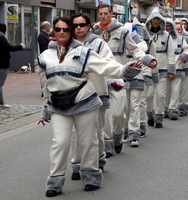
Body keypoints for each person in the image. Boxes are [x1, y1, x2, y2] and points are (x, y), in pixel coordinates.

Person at [37, 16, 144, 197]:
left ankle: (91, 176)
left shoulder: (83, 52)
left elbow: (106, 66)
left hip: (85, 102)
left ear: (71, 32)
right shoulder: (45, 56)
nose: (62, 32)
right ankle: (55, 181)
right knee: (60, 142)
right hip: (59, 106)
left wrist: (126, 69)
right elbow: (45, 85)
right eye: (58, 29)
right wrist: (45, 110)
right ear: (54, 31)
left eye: (66, 29)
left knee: (88, 141)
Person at [94, 3, 157, 148]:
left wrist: (147, 59)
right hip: (100, 79)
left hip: (118, 78)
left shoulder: (122, 32)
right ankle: (107, 144)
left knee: (118, 114)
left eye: (105, 13)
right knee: (104, 114)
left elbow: (136, 50)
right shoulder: (94, 33)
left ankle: (117, 135)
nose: (103, 16)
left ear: (111, 14)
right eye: (101, 14)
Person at [70, 12, 120, 180]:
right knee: (77, 132)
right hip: (74, 94)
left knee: (96, 132)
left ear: (88, 26)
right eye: (75, 25)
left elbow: (109, 63)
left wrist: (113, 80)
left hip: (97, 92)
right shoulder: (68, 44)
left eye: (81, 25)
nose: (78, 28)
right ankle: (77, 165)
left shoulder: (98, 44)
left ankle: (97, 160)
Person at [145, 10, 175, 128]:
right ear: (150, 22)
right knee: (149, 95)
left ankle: (159, 117)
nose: (155, 23)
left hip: (162, 70)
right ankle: (149, 114)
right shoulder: (146, 35)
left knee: (160, 95)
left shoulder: (167, 35)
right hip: (149, 70)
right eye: (153, 21)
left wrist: (171, 70)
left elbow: (171, 53)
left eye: (158, 21)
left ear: (161, 22)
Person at [0, 23, 25, 108]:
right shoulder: (1, 37)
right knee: (0, 83)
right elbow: (9, 47)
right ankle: (1, 102)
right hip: (2, 63)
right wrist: (20, 46)